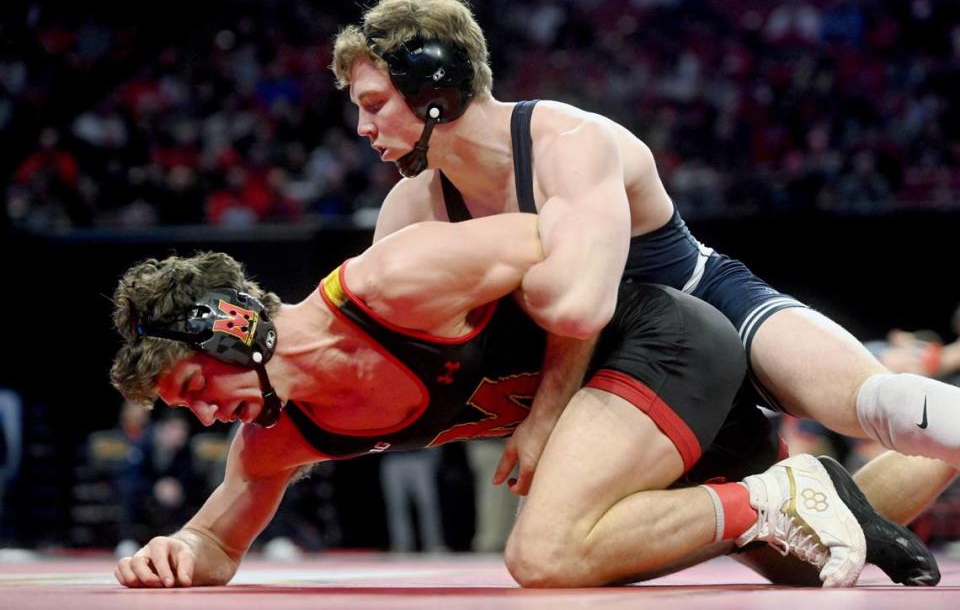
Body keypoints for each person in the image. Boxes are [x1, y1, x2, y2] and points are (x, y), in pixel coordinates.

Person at [329, 0, 960, 569]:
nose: (363, 128)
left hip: (706, 305)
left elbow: (584, 305)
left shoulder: (569, 141)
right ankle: (800, 493)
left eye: (375, 104)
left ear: (435, 87)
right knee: (801, 559)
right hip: (637, 373)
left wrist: (544, 415)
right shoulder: (412, 207)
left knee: (879, 405)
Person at [108, 214, 922, 589]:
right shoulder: (283, 437)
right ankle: (942, 433)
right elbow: (216, 543)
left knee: (544, 556)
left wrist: (547, 407)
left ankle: (773, 494)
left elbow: (571, 243)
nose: (208, 416)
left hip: (657, 341)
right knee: (814, 555)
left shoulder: (388, 282)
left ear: (231, 329)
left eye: (193, 389)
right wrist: (176, 553)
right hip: (625, 413)